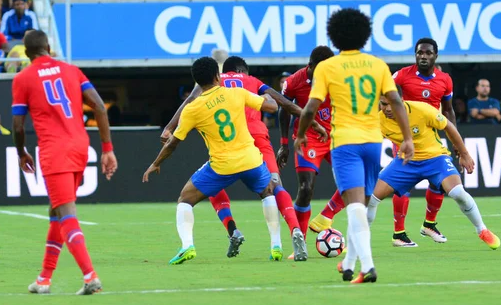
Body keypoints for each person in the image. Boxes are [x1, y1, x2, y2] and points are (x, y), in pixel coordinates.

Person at [161, 56, 327, 261]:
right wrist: (313, 124)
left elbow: (189, 101)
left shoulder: (215, 80)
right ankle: (293, 232)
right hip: (256, 137)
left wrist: (169, 128)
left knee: (211, 184)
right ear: (243, 70)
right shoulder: (252, 81)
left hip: (228, 139)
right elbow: (284, 104)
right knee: (274, 186)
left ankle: (232, 229)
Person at [295, 8, 414, 284]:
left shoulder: (327, 67)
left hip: (345, 143)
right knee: (361, 203)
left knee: (354, 205)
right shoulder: (377, 65)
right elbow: (396, 102)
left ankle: (367, 266)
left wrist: (300, 135)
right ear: (365, 35)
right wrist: (407, 138)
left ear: (334, 37)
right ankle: (348, 264)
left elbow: (311, 107)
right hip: (373, 141)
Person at [313, 37, 456, 248]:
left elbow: (448, 109)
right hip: (402, 131)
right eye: (420, 52)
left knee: (438, 183)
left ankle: (429, 224)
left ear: (435, 55)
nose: (423, 56)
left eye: (427, 53)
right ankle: (398, 233)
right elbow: (382, 92)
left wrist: (452, 137)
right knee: (397, 183)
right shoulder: (402, 76)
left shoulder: (445, 80)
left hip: (429, 133)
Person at [142, 57, 281, 265]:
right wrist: (269, 95)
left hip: (222, 167)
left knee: (185, 199)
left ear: (197, 82)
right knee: (267, 192)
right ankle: (276, 245)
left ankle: (187, 245)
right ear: (218, 76)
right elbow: (271, 108)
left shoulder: (192, 109)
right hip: (251, 160)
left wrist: (156, 163)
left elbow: (173, 143)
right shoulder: (237, 93)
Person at [12, 30, 118, 295]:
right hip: (80, 148)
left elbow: (17, 124)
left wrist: (21, 152)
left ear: (26, 53)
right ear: (48, 47)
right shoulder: (72, 70)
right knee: (56, 213)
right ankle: (44, 279)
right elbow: (100, 107)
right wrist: (107, 149)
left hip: (54, 150)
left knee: (67, 215)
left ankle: (90, 276)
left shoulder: (23, 78)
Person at [367, 95, 501, 250]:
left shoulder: (422, 110)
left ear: (402, 101)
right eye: (383, 104)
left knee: (458, 193)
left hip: (435, 158)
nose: (388, 109)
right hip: (406, 162)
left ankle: (482, 230)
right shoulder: (378, 121)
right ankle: (359, 242)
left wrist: (464, 154)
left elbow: (449, 126)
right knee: (371, 199)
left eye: (392, 104)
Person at [278, 46, 348, 237]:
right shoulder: (294, 82)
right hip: (308, 139)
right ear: (310, 65)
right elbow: (283, 110)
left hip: (336, 137)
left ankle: (326, 215)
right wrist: (284, 143)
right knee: (305, 189)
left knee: (356, 181)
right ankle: (300, 240)